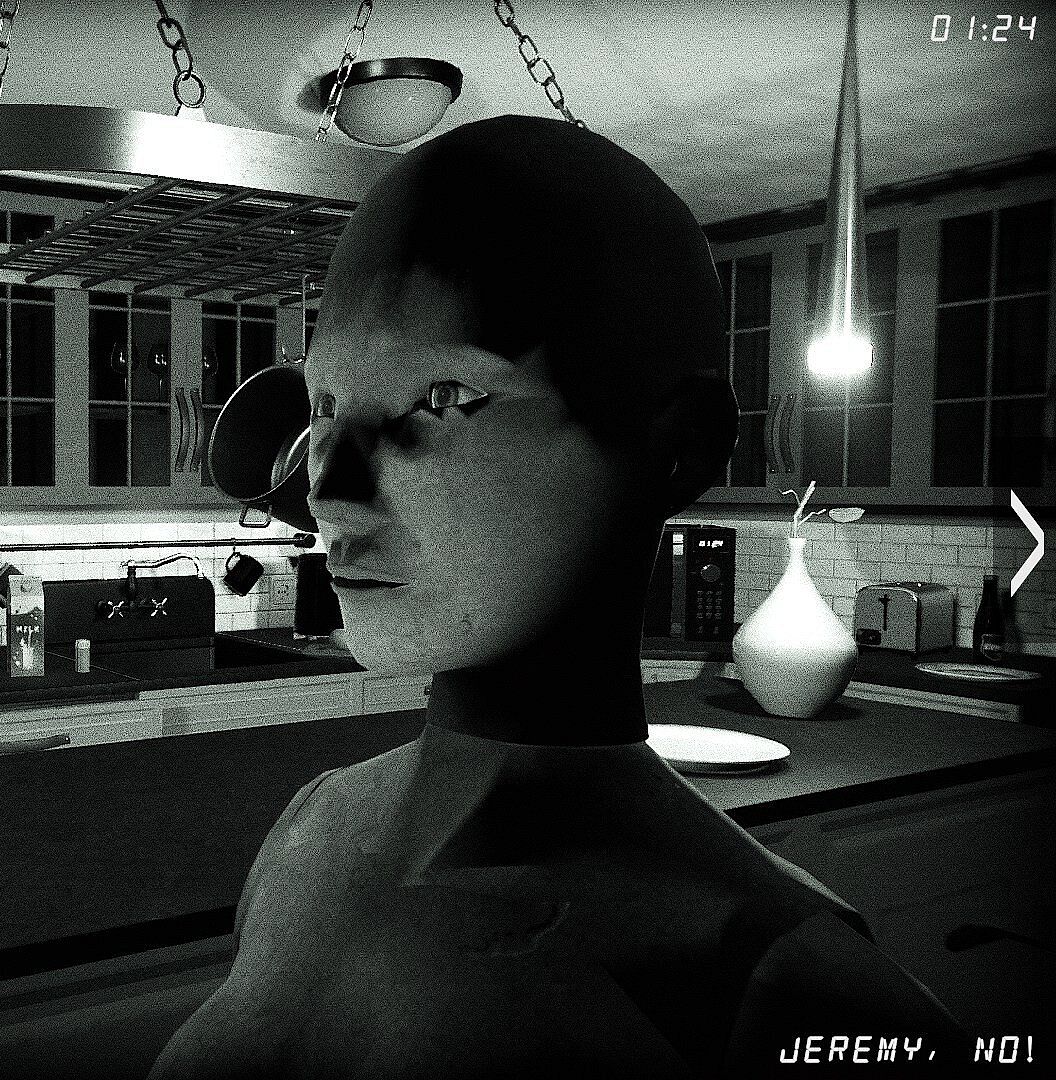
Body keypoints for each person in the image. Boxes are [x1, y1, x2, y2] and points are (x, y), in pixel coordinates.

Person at [147, 116, 970, 1079]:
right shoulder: (311, 827)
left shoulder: (776, 978)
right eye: (326, 406)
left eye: (443, 397)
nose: (329, 488)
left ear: (680, 445)